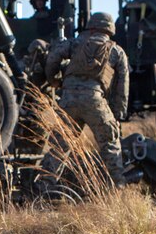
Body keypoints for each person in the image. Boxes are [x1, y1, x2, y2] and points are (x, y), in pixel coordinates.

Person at [44, 11, 130, 185]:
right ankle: (118, 187)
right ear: (110, 30)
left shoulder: (75, 43)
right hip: (95, 100)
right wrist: (118, 114)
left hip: (68, 100)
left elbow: (53, 57)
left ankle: (44, 187)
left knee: (59, 145)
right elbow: (123, 86)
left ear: (91, 27)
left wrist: (54, 81)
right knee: (110, 143)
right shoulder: (116, 51)